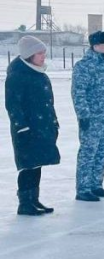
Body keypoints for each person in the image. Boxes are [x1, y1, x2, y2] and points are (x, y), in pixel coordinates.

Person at [5, 35, 60, 215]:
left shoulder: (38, 73)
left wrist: (53, 123)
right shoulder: (18, 75)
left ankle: (33, 199)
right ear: (29, 55)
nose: (43, 56)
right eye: (39, 53)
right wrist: (22, 127)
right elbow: (13, 104)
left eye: (44, 52)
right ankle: (25, 203)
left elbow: (48, 102)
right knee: (28, 165)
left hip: (42, 125)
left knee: (37, 164)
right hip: (28, 128)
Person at [72, 31, 104, 202]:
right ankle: (83, 188)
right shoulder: (84, 66)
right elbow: (78, 92)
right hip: (92, 119)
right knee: (88, 152)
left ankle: (96, 185)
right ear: (95, 46)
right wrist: (83, 115)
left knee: (103, 151)